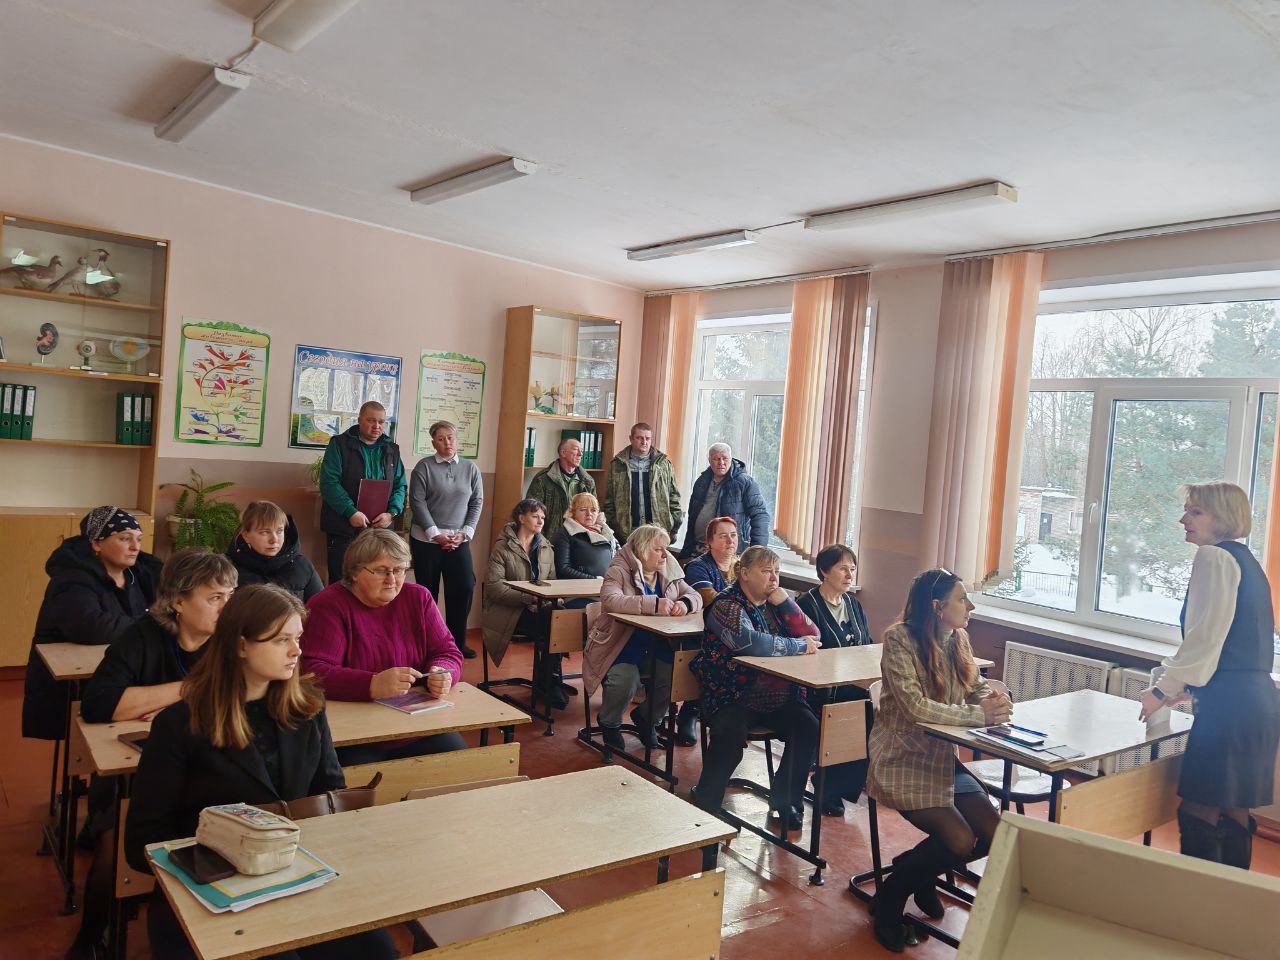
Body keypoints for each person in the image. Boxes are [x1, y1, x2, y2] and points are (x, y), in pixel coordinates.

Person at [124, 584, 398, 960]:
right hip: (214, 892)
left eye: (297, 638)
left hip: (295, 877)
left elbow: (330, 799)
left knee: (376, 951)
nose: (297, 651)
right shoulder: (180, 724)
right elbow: (142, 843)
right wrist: (241, 853)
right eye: (281, 640)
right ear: (240, 645)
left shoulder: (308, 709)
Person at [68, 549, 237, 960]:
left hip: (208, 766)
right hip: (139, 770)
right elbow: (99, 704)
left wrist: (159, 702)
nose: (227, 607)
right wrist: (189, 690)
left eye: (231, 596)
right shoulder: (141, 636)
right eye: (215, 597)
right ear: (178, 601)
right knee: (115, 838)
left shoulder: (233, 640)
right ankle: (90, 937)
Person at [866, 568, 1012, 952]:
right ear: (936, 606)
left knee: (995, 835)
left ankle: (917, 869)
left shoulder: (957, 638)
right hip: (902, 759)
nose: (970, 606)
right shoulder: (899, 639)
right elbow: (914, 708)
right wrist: (978, 715)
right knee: (960, 840)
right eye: (962, 599)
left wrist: (994, 702)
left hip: (942, 758)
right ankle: (891, 897)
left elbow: (975, 687)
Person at [1137, 481, 1280, 870]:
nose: (1183, 519)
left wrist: (1162, 691)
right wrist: (1194, 686)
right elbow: (1235, 640)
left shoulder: (1213, 557)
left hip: (1231, 708)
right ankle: (1230, 897)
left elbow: (1204, 638)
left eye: (1195, 512)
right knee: (1234, 810)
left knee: (1198, 809)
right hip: (1257, 702)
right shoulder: (1246, 561)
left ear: (1223, 518)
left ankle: (1196, 896)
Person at [301, 529, 464, 764]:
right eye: (380, 570)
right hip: (356, 731)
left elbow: (447, 651)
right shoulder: (327, 605)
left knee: (461, 762)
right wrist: (372, 684)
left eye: (399, 570)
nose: (392, 579)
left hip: (417, 724)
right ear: (355, 572)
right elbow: (313, 671)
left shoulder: (419, 598)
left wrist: (443, 673)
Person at [690, 546, 820, 830]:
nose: (773, 578)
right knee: (730, 733)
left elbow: (813, 635)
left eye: (777, 572)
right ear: (745, 573)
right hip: (733, 695)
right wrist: (798, 647)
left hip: (778, 698)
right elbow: (750, 643)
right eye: (766, 571)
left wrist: (786, 602)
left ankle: (785, 800)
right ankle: (706, 799)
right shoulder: (726, 605)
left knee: (808, 726)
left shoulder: (776, 606)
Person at [23, 506, 162, 742]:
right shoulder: (71, 577)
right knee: (89, 740)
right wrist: (149, 624)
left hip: (115, 669)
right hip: (71, 685)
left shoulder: (139, 574)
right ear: (97, 543)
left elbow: (163, 611)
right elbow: (92, 626)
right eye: (124, 538)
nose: (135, 547)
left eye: (138, 539)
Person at [583, 525, 701, 751]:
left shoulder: (668, 570)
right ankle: (609, 722)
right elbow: (611, 599)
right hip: (620, 645)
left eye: (665, 549)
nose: (665, 555)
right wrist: (654, 605)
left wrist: (685, 604)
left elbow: (694, 595)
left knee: (673, 677)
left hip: (656, 644)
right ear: (641, 550)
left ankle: (647, 718)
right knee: (625, 681)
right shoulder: (619, 569)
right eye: (658, 549)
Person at [796, 544, 872, 816]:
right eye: (843, 569)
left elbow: (867, 645)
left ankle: (834, 783)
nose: (849, 575)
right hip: (817, 689)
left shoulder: (853, 604)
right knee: (859, 710)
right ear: (824, 571)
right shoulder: (807, 604)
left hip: (852, 686)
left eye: (852, 569)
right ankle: (828, 784)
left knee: (874, 708)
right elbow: (806, 653)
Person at [409, 420, 483, 659]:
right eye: (441, 439)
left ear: (456, 439)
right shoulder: (424, 467)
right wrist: (435, 534)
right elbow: (417, 503)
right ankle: (428, 644)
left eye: (450, 437)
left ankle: (456, 643)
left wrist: (465, 533)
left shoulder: (470, 468)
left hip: (459, 540)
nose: (447, 442)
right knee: (428, 592)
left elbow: (476, 502)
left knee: (463, 587)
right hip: (426, 541)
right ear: (434, 443)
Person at [482, 499, 564, 707]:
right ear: (521, 518)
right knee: (555, 621)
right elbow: (494, 588)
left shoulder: (546, 547)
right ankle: (548, 682)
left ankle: (548, 680)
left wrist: (553, 599)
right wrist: (530, 598)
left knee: (560, 617)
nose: (541, 521)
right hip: (509, 612)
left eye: (542, 517)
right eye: (535, 516)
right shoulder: (502, 548)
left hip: (541, 610)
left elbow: (553, 583)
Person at [317, 400, 406, 585]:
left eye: (381, 422)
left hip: (381, 528)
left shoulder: (392, 449)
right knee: (342, 581)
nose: (377, 426)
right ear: (359, 420)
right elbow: (329, 483)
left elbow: (400, 485)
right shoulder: (339, 444)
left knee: (377, 580)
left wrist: (391, 513)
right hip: (344, 527)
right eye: (371, 420)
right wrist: (351, 512)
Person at [676, 516, 740, 746]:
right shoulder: (698, 567)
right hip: (700, 635)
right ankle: (690, 710)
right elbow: (712, 601)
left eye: (733, 535)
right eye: (723, 536)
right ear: (709, 542)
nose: (730, 541)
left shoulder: (742, 567)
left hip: (733, 634)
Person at [679, 443, 771, 557]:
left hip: (728, 552)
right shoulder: (701, 481)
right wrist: (686, 550)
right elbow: (692, 517)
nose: (721, 463)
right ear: (709, 460)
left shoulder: (745, 482)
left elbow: (760, 515)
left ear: (731, 459)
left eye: (725, 458)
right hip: (699, 549)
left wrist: (757, 552)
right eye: (716, 459)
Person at [226, 500, 322, 601]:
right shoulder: (229, 568)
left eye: (279, 531)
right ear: (246, 535)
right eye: (265, 532)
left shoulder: (302, 565)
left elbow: (322, 607)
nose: (274, 540)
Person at [603, 422, 682, 545]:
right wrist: (613, 527)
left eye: (647, 438)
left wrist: (675, 528)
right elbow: (610, 500)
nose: (644, 442)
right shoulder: (617, 464)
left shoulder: (664, 464)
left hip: (657, 531)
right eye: (639, 438)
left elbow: (674, 497)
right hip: (627, 532)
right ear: (631, 439)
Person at [526, 437, 596, 542]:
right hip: (550, 541)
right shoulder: (543, 479)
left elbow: (595, 512)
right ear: (563, 452)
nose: (580, 454)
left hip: (580, 541)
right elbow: (532, 514)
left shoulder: (588, 481)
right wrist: (541, 543)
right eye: (575, 449)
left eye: (581, 451)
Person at [553, 492, 616, 581]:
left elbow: (621, 562)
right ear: (573, 512)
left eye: (593, 510)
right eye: (583, 509)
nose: (589, 514)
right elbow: (562, 570)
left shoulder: (608, 532)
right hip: (578, 588)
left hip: (608, 586)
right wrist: (593, 579)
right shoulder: (564, 534)